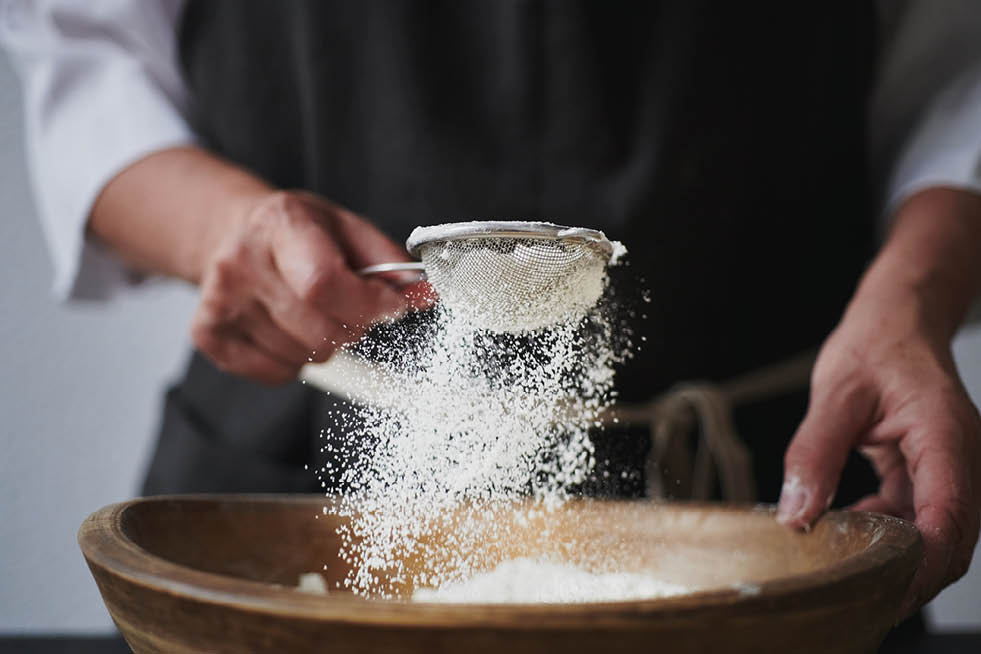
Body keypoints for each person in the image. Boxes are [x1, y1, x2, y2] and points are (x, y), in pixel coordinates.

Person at [2, 0, 980, 626]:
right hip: (297, 494)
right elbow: (85, 53)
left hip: (771, 508)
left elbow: (955, 66)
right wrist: (227, 228)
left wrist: (916, 296)